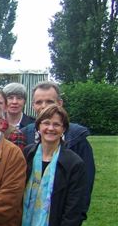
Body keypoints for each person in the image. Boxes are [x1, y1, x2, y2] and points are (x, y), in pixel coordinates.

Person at [21, 81, 95, 214]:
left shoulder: (77, 138)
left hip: (63, 213)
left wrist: (79, 214)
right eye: (38, 102)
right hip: (29, 214)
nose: (43, 106)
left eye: (49, 101)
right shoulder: (25, 135)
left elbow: (86, 183)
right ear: (33, 105)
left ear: (60, 103)